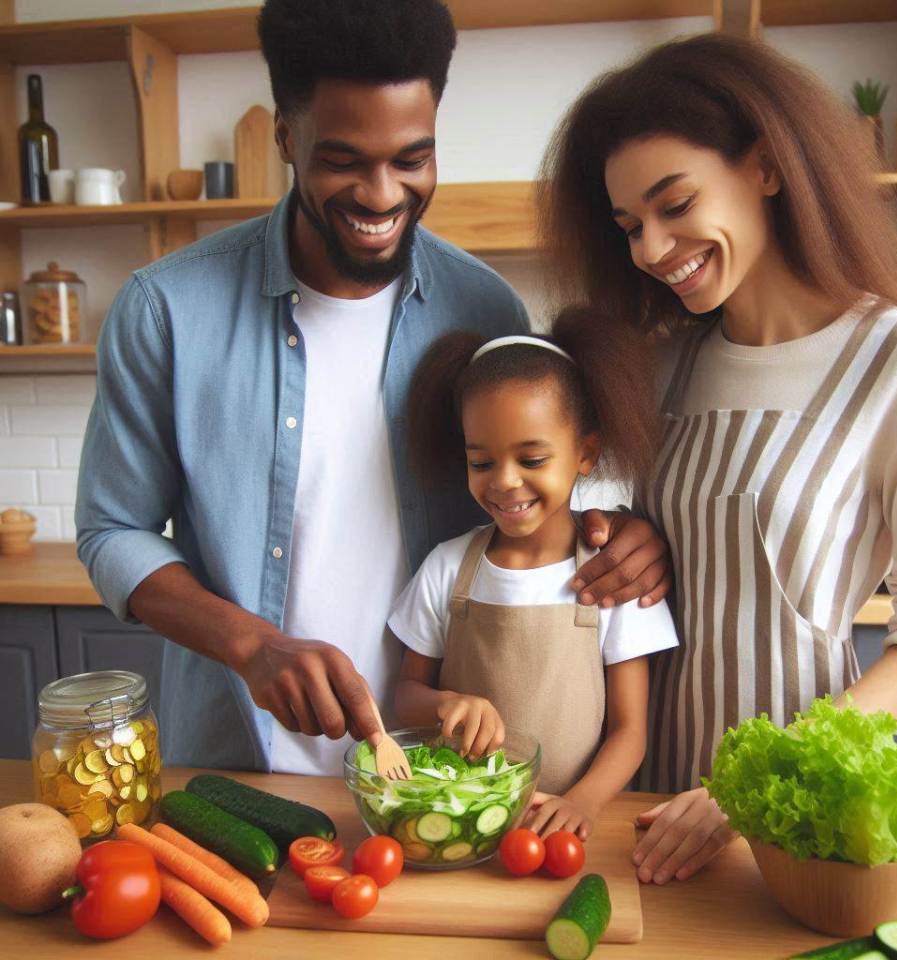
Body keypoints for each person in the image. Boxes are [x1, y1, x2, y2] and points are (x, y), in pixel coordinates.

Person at [75, 0, 670, 776]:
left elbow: (522, 501)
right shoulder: (166, 310)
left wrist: (617, 533)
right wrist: (252, 644)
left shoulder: (485, 309)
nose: (383, 195)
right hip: (237, 765)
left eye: (412, 158)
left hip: (439, 777)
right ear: (287, 137)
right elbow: (112, 530)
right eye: (344, 161)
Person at [539, 33, 897, 882]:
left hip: (793, 818)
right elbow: (610, 538)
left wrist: (751, 785)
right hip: (642, 805)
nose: (652, 249)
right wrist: (621, 530)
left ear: (766, 166)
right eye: (629, 226)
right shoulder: (660, 362)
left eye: (675, 204)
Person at [387, 309, 679, 839]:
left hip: (570, 833)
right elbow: (405, 695)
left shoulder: (614, 581)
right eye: (481, 463)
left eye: (532, 459)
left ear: (585, 453)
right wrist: (444, 704)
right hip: (460, 823)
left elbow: (631, 731)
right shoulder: (447, 568)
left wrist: (582, 804)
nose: (504, 482)